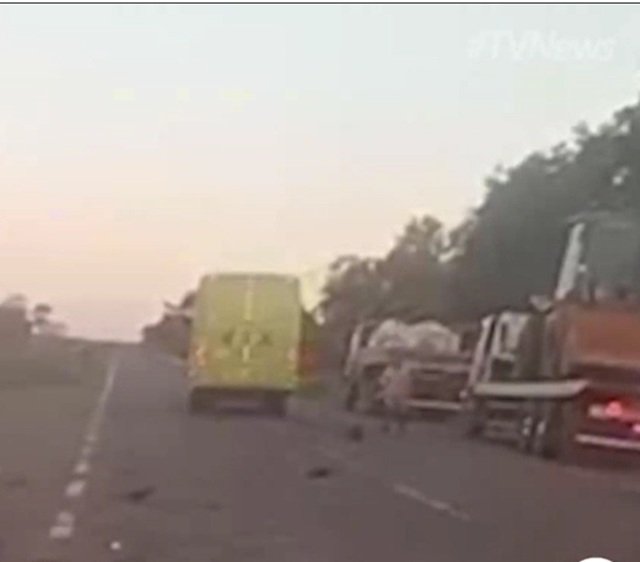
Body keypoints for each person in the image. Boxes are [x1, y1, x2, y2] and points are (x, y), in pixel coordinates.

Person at [378, 351, 412, 434]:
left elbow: (409, 381)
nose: (397, 360)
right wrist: (383, 389)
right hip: (390, 391)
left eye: (399, 359)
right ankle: (386, 425)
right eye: (396, 359)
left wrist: (408, 390)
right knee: (389, 409)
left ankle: (401, 426)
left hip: (402, 392)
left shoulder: (406, 369)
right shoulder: (389, 370)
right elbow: (383, 381)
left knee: (402, 410)